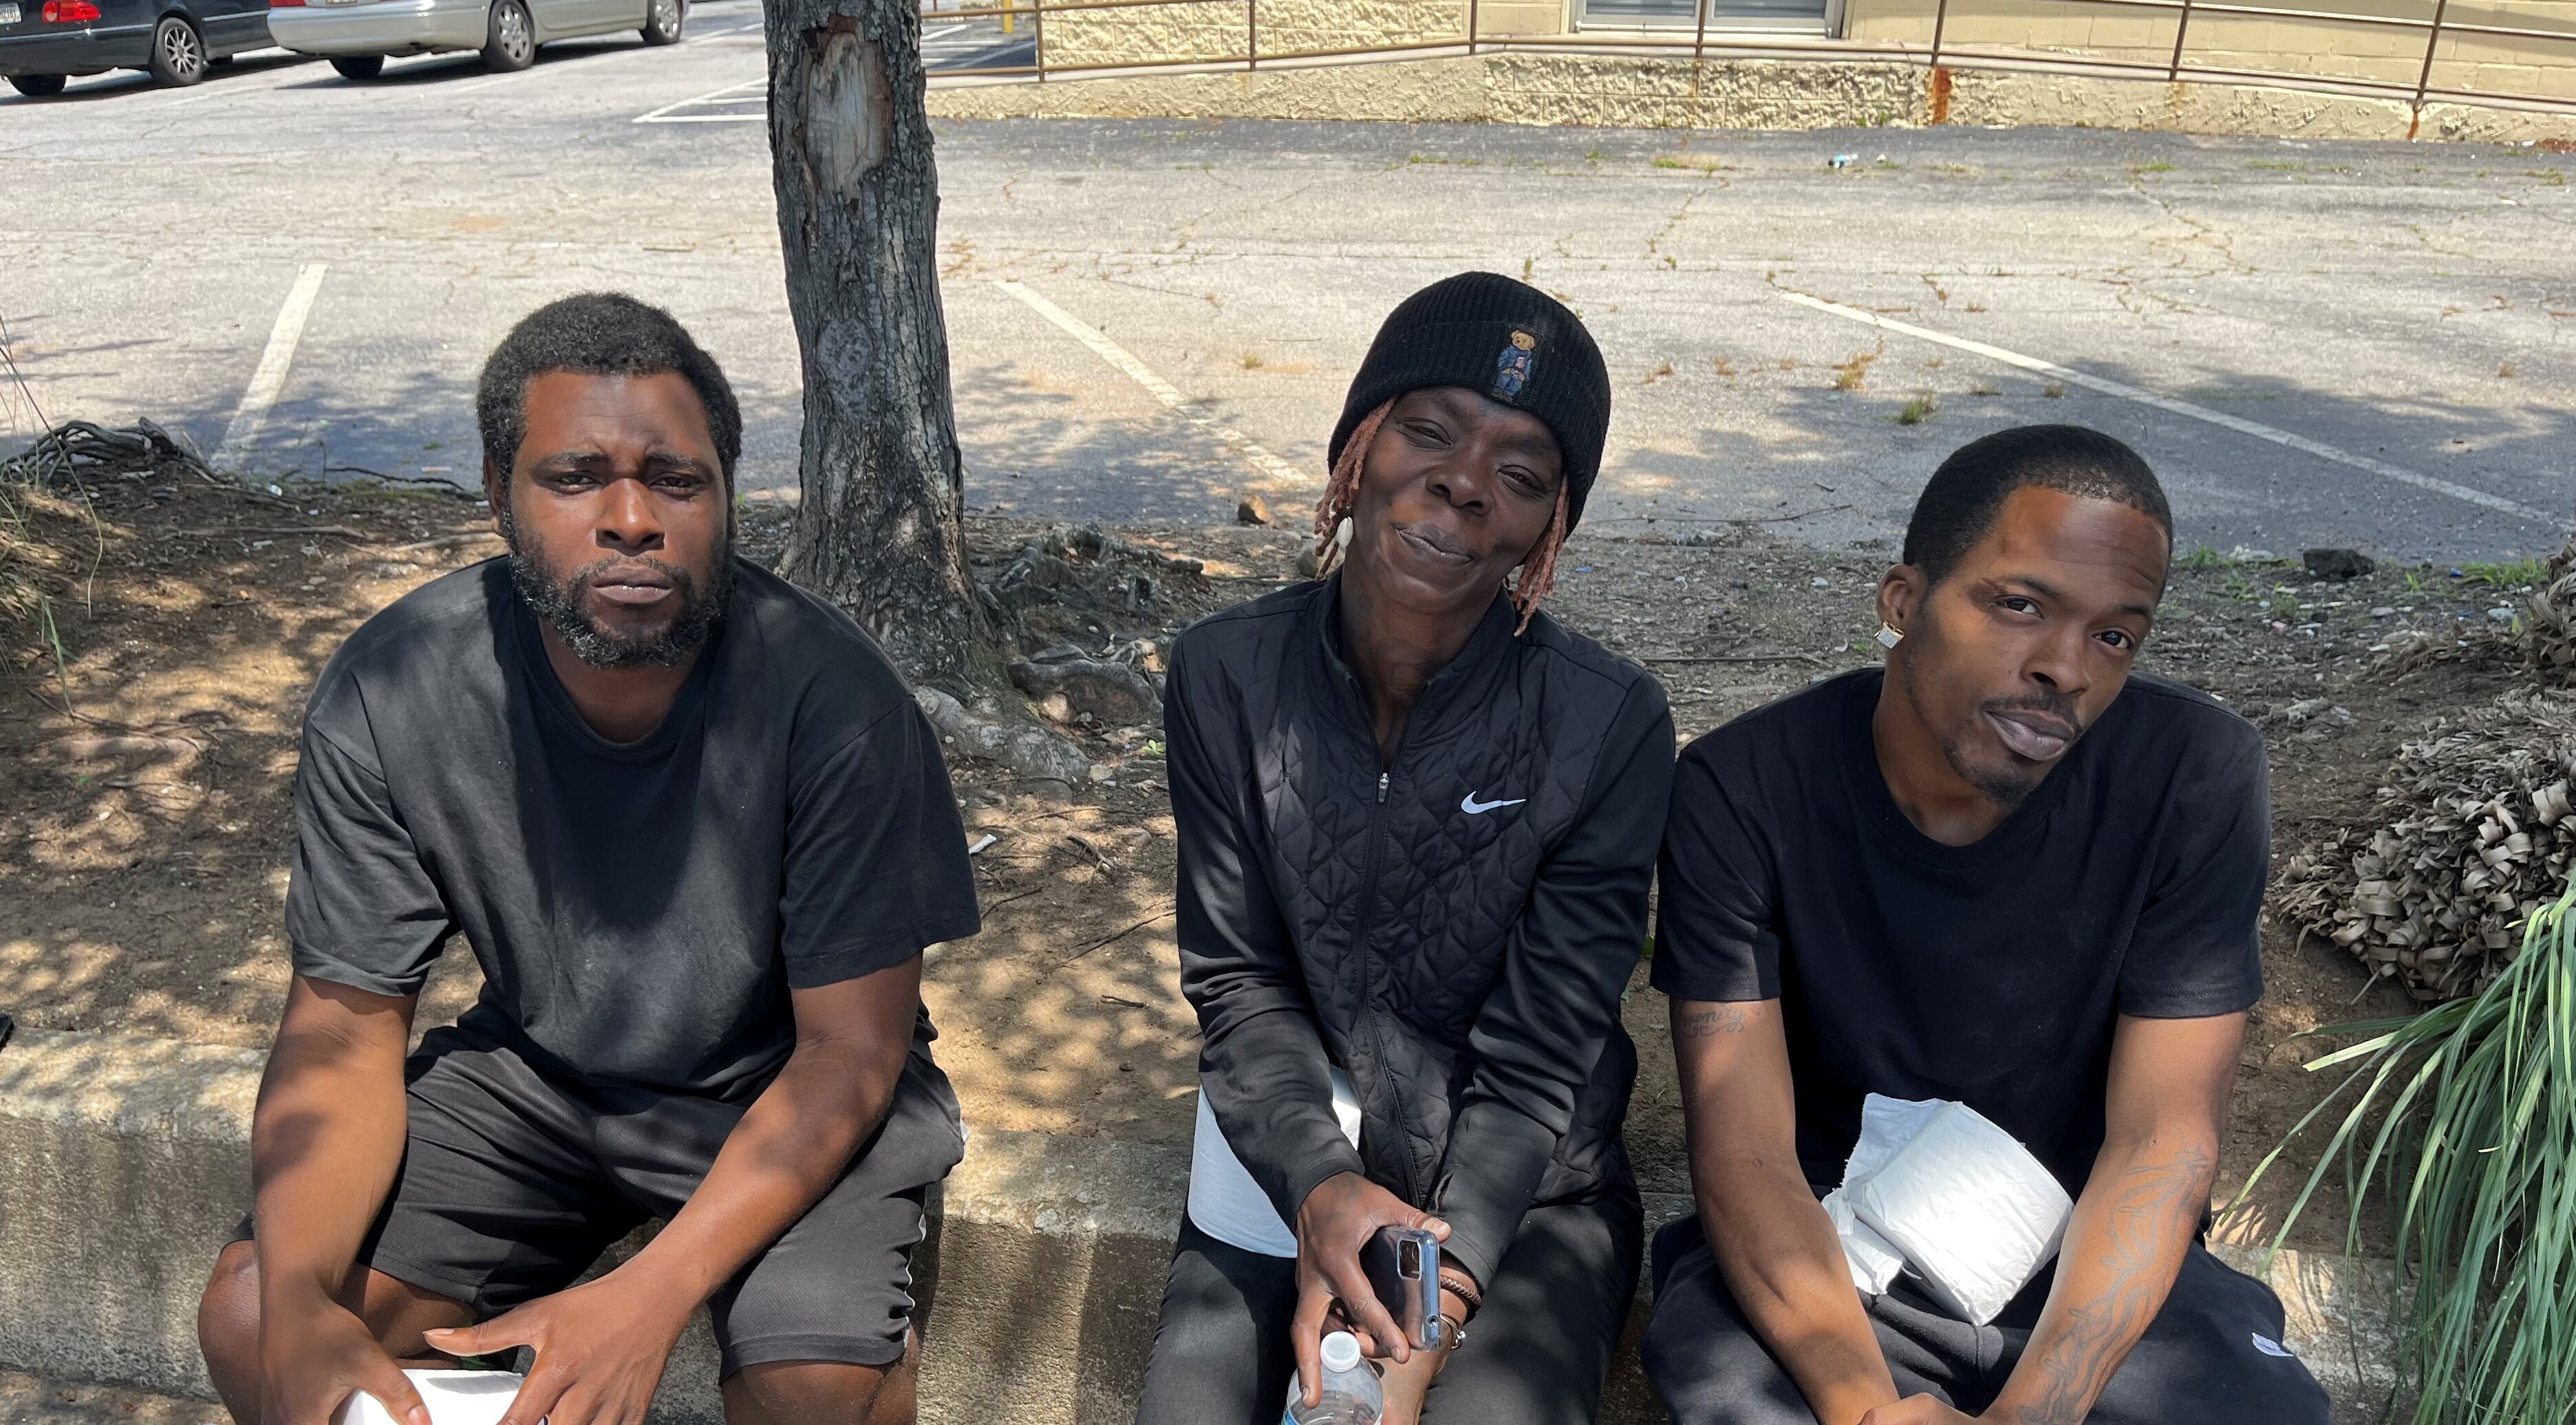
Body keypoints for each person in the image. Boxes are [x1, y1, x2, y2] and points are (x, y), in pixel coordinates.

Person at [195, 294, 978, 1425]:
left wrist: (644, 1297)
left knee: (814, 1386)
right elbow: (339, 1024)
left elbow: (850, 1055)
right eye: (573, 478)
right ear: (497, 493)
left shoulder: (835, 701)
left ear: (727, 500)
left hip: (782, 1079)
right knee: (256, 1315)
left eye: (676, 478)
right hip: (541, 1080)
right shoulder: (393, 687)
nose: (630, 518)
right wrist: (308, 1300)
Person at [1641, 425, 2332, 1425]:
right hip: (1836, 1263)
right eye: (2021, 606)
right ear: (1903, 601)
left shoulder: (2194, 776)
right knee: (1727, 1383)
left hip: (2092, 1272)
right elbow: (1746, 1153)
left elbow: (2161, 1142)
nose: (2067, 668)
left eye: (2115, 636)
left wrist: (2037, 1412)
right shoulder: (1745, 790)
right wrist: (1865, 1411)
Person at [1134, 272, 1674, 1425]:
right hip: (1295, 1165)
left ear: (1550, 527)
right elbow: (1239, 983)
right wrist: (1325, 1190)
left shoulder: (1606, 722)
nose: (1464, 485)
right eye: (1427, 433)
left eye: (1522, 477)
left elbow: (1545, 1052)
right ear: (1357, 447)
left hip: (1525, 1203)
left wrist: (1442, 1288)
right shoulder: (1227, 676)